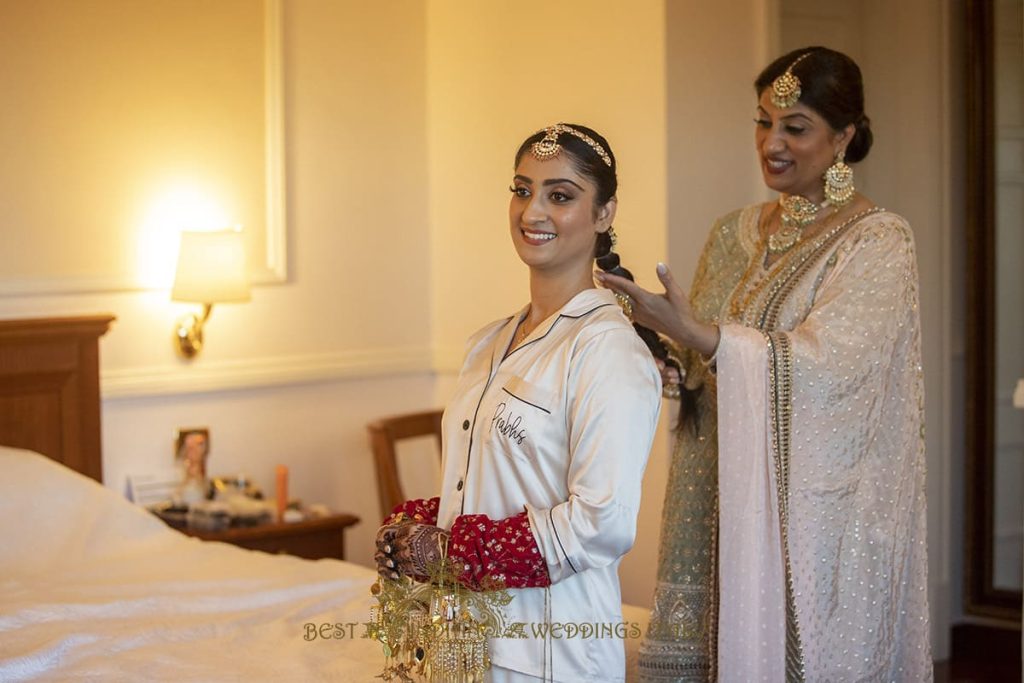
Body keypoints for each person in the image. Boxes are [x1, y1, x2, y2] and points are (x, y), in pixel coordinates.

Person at [596, 47, 932, 681]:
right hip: (711, 495)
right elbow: (703, 365)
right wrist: (664, 351)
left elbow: (836, 372)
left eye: (795, 127)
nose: (771, 143)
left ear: (845, 137)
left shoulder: (877, 241)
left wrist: (708, 338)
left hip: (811, 521)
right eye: (762, 121)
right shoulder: (732, 232)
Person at [374, 123, 663, 682]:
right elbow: (491, 481)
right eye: (522, 189)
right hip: (462, 634)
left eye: (560, 195)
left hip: (552, 651)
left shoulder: (607, 350)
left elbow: (603, 523)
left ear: (604, 214)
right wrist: (417, 525)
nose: (533, 212)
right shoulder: (488, 341)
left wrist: (458, 552)